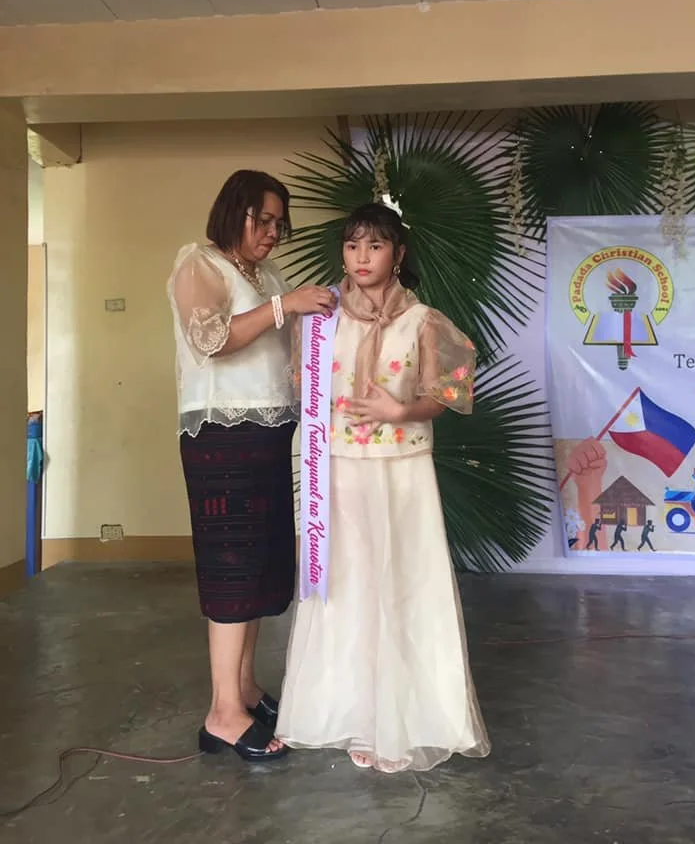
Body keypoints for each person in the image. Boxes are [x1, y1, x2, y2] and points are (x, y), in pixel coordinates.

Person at [277, 200, 491, 772]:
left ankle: (408, 720)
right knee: (348, 586)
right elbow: (303, 388)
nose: (361, 257)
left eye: (374, 245)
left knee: (403, 584)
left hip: (401, 471)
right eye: (352, 245)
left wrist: (400, 411)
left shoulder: (424, 321)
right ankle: (351, 714)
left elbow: (449, 394)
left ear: (398, 253)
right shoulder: (320, 319)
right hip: (339, 470)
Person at [167, 169, 335, 763]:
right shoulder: (200, 263)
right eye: (262, 220)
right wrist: (285, 306)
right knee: (231, 568)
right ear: (233, 211)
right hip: (221, 435)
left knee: (261, 566)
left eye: (278, 224)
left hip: (268, 433)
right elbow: (210, 339)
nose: (271, 233)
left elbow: (286, 352)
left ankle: (243, 689)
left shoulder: (269, 276)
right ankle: (221, 714)